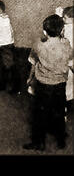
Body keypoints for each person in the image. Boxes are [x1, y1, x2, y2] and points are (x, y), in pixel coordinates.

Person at [23, 15, 73, 151]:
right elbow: (70, 62)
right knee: (59, 111)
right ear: (62, 29)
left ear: (45, 31)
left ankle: (38, 143)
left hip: (43, 84)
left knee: (39, 114)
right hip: (60, 84)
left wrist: (30, 78)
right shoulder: (67, 43)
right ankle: (61, 140)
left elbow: (33, 62)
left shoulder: (39, 44)